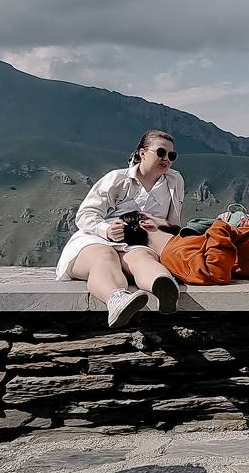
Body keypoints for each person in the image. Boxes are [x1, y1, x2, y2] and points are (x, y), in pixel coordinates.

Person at [54, 129, 186, 328]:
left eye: (171, 155)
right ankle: (116, 299)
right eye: (161, 152)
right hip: (96, 239)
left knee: (142, 258)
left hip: (138, 242)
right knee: (104, 255)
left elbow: (173, 223)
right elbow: (86, 214)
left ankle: (164, 287)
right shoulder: (117, 179)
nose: (166, 159)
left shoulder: (174, 182)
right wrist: (106, 229)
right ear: (142, 153)